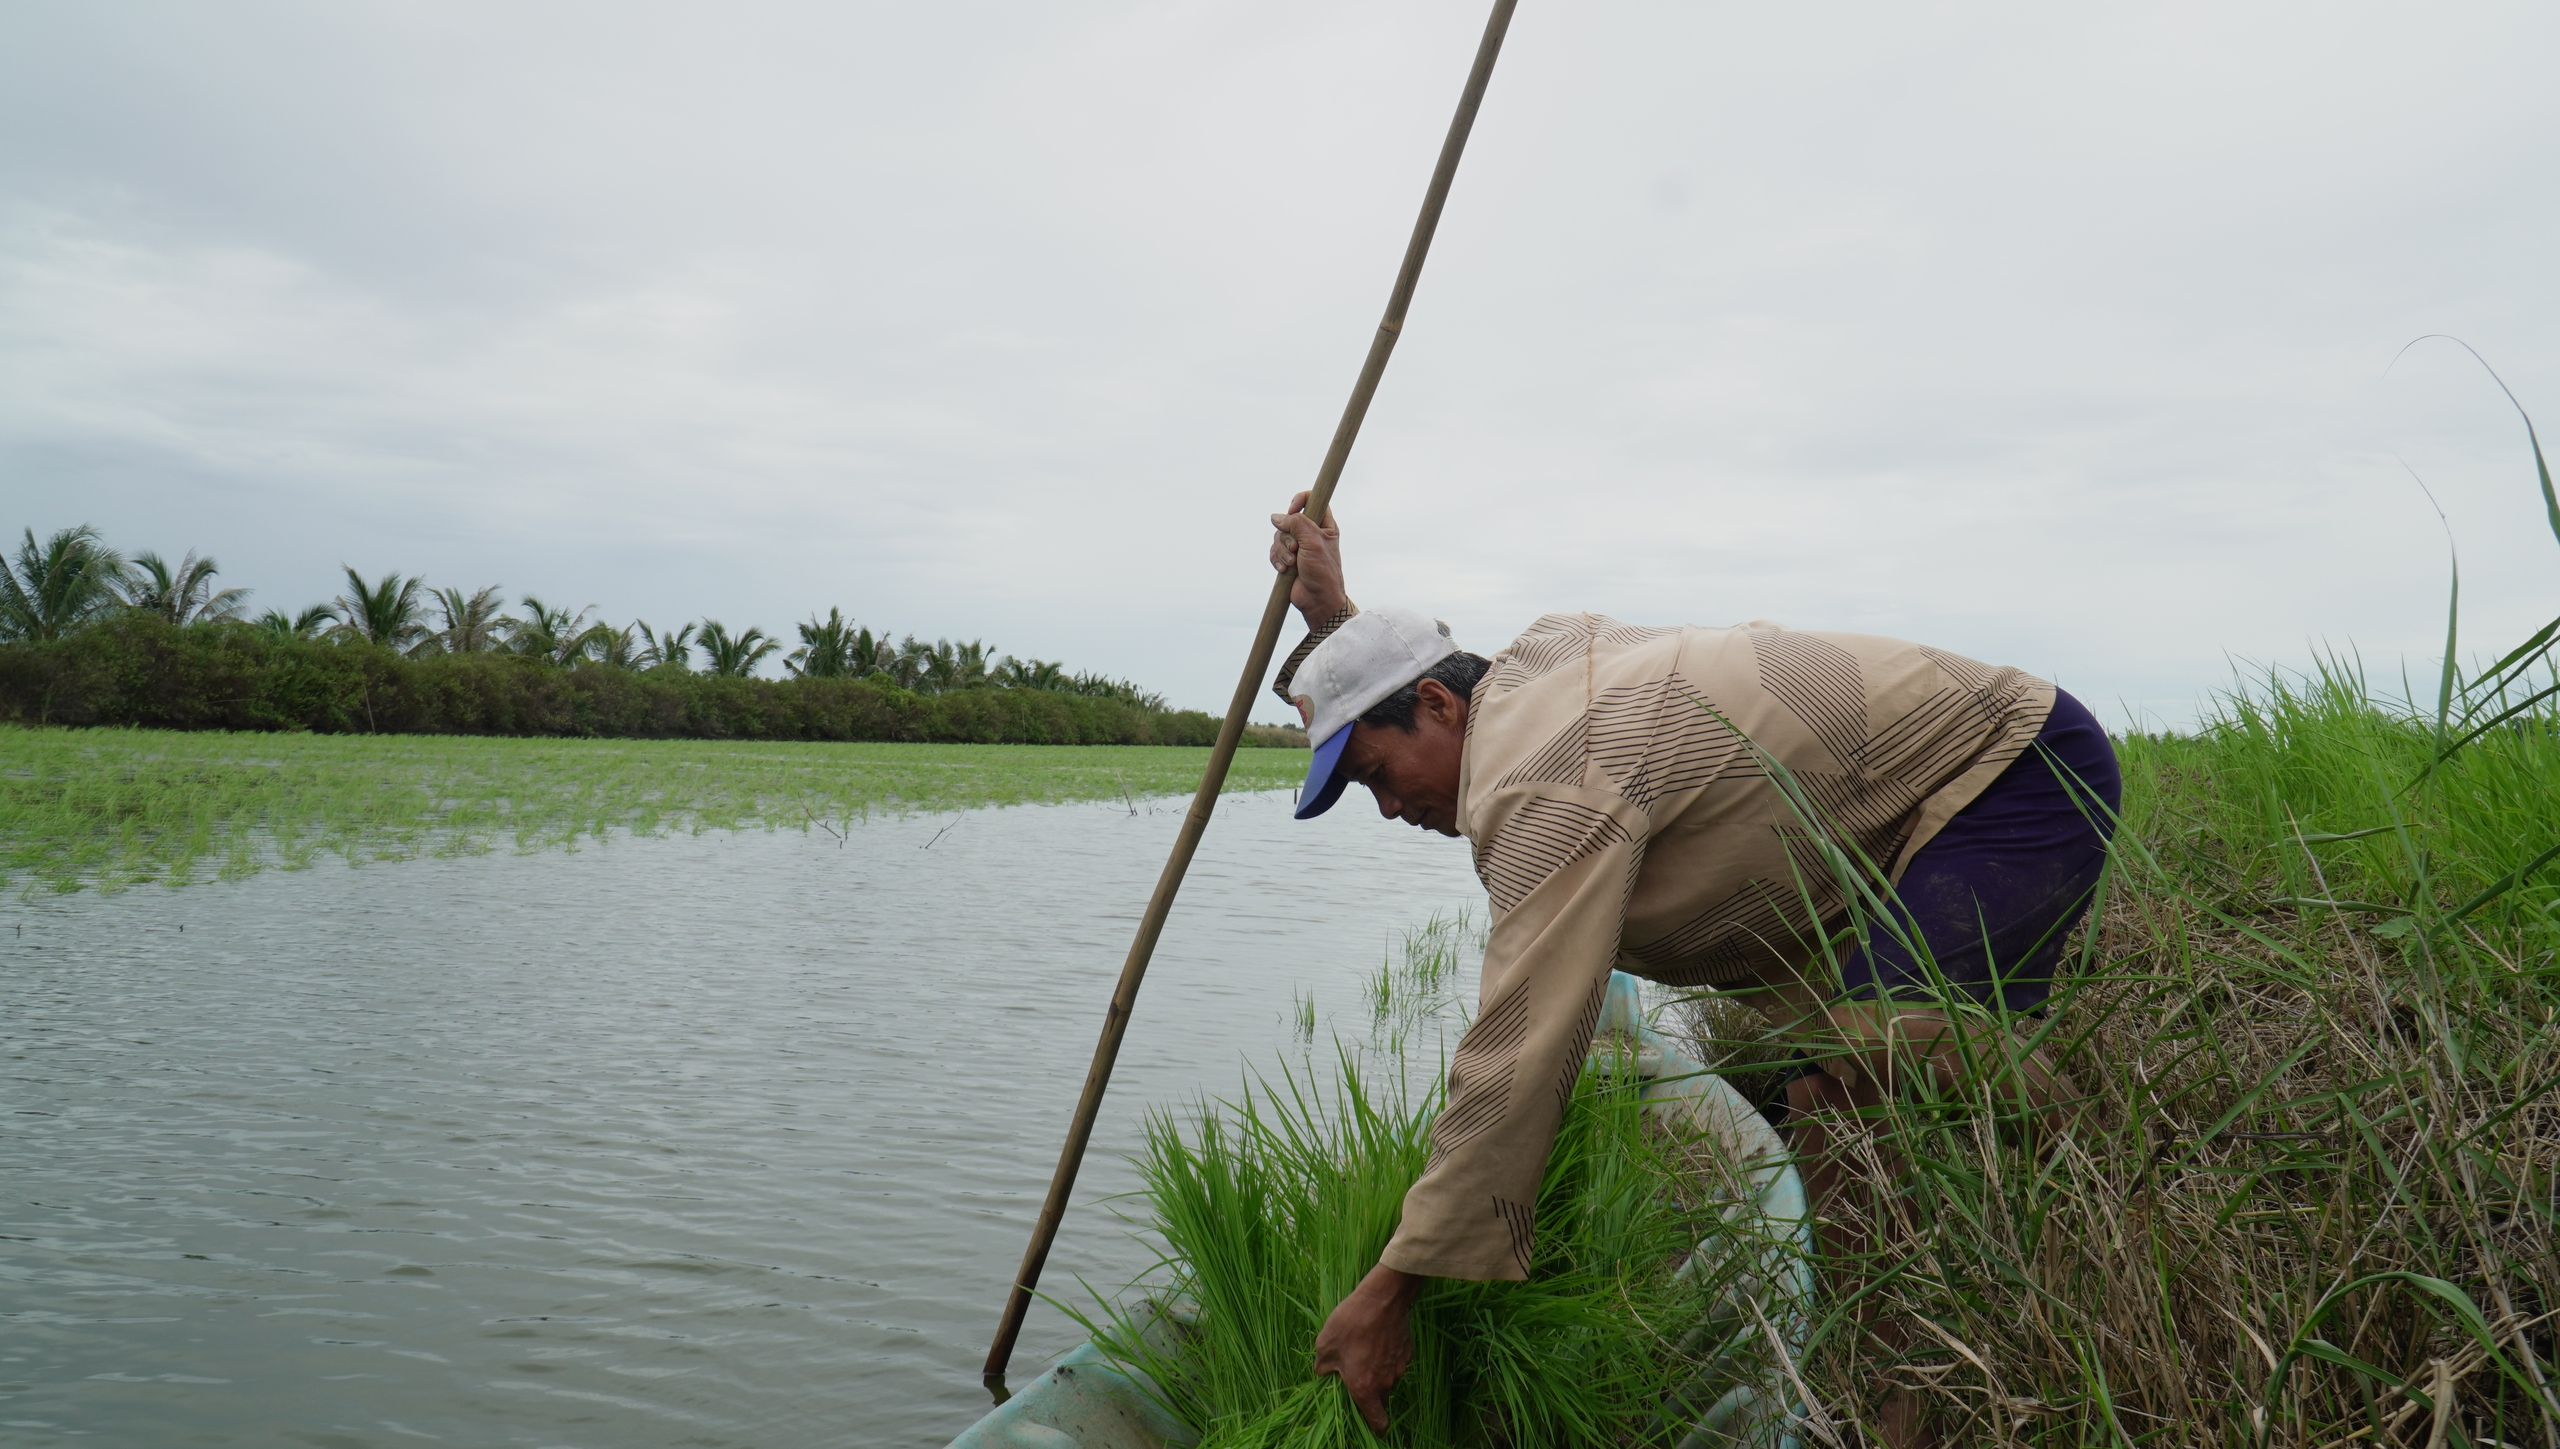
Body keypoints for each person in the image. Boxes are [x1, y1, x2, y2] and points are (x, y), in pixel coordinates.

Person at [1267, 492, 2119, 1448]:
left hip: (2009, 772)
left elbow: (1519, 1054)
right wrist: (1333, 622)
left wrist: (1394, 1287)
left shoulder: (1544, 776)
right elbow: (1406, 673)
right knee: (1837, 1105)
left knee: (1863, 1081)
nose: (1387, 809)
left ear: (1437, 705)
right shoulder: (1523, 678)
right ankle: (1883, 1372)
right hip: (1889, 834)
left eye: (1378, 775)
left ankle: (2063, 1235)